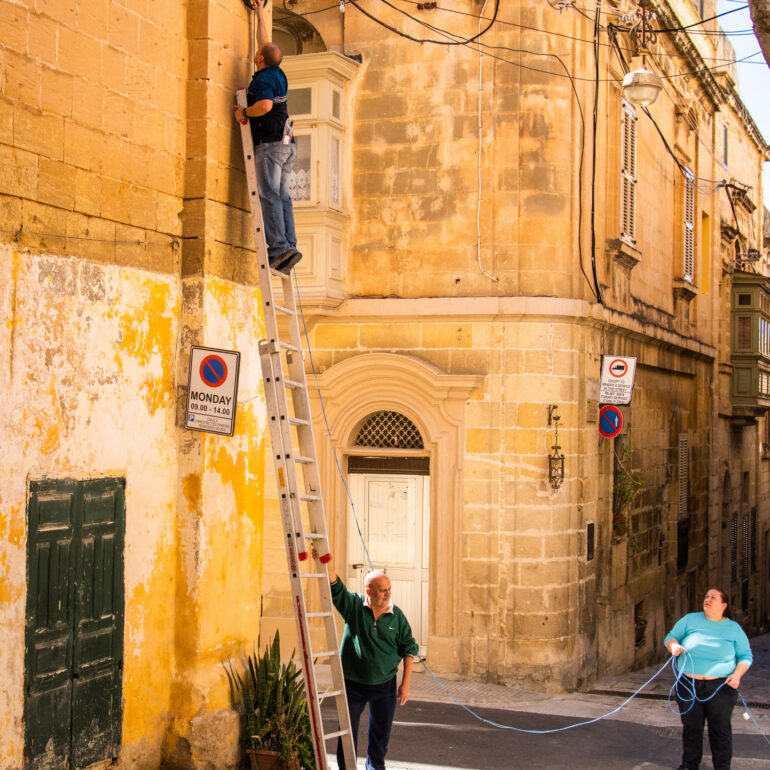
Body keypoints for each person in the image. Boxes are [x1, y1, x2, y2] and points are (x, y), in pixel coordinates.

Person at [325, 557, 419, 770]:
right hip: (352, 685)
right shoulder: (354, 607)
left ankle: (375, 768)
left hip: (384, 685)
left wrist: (405, 684)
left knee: (380, 735)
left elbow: (409, 649)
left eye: (389, 589)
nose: (388, 594)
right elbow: (335, 586)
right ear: (368, 592)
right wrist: (325, 559)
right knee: (346, 733)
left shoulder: (397, 616)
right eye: (382, 590)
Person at [234, 0, 301, 275]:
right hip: (287, 146)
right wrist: (260, 12)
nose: (256, 53)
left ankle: (278, 248)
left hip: (271, 145)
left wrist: (243, 112)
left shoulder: (261, 80)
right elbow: (267, 44)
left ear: (260, 59)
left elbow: (264, 106)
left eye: (258, 53)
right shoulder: (277, 72)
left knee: (269, 194)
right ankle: (289, 245)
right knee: (283, 196)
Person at [664, 588, 753, 770]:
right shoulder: (690, 620)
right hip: (688, 684)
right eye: (706, 596)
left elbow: (745, 656)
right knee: (691, 727)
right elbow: (671, 637)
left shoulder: (733, 628)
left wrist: (736, 675)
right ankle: (689, 765)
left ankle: (722, 767)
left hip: (721, 687)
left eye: (713, 597)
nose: (708, 599)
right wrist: (674, 647)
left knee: (719, 729)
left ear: (723, 605)